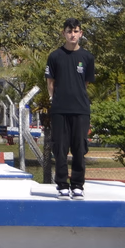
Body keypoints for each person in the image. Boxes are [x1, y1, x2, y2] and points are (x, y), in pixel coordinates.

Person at [45, 17, 95, 200]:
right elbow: (50, 82)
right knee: (60, 148)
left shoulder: (87, 57)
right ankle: (62, 186)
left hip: (81, 110)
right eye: (69, 31)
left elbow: (85, 83)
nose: (72, 34)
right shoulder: (55, 56)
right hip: (59, 110)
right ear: (63, 33)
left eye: (76, 31)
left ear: (81, 33)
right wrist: (55, 100)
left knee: (79, 148)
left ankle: (77, 186)